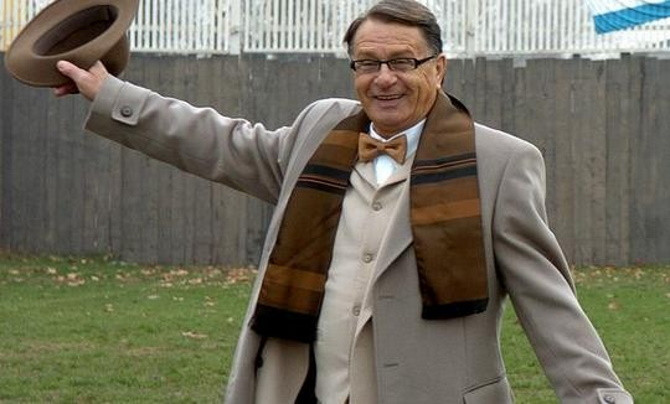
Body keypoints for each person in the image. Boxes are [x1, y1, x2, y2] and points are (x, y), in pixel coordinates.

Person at [54, 0, 633, 402]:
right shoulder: (319, 132)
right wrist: (110, 94)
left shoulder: (503, 163)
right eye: (367, 63)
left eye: (402, 62)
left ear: (439, 67)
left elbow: (551, 307)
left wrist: (601, 397)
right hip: (298, 389)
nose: (384, 78)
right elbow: (219, 142)